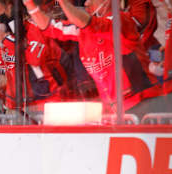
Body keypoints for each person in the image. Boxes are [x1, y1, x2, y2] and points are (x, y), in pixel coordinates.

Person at [23, 0, 162, 115]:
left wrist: (63, 2)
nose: (86, 3)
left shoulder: (121, 20)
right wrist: (30, 5)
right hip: (114, 108)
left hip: (143, 102)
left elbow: (90, 24)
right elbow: (50, 28)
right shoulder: (83, 29)